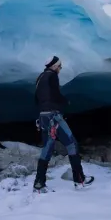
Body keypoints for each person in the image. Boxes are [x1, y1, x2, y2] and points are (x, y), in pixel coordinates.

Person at [32, 56, 93, 190]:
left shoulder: (39, 78)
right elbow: (55, 93)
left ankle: (39, 183)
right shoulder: (52, 76)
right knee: (71, 144)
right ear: (54, 66)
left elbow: (36, 99)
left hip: (43, 116)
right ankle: (79, 179)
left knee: (47, 149)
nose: (60, 68)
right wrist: (64, 102)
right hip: (54, 116)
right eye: (60, 66)